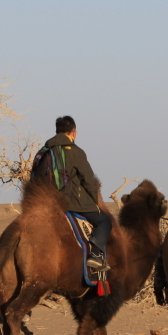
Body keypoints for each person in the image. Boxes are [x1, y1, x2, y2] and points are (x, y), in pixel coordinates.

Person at [37, 116, 112, 270]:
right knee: (104, 221)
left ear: (57, 131)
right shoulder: (76, 152)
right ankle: (96, 255)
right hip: (72, 202)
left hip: (46, 202)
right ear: (73, 133)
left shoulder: (43, 152)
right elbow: (88, 180)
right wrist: (95, 202)